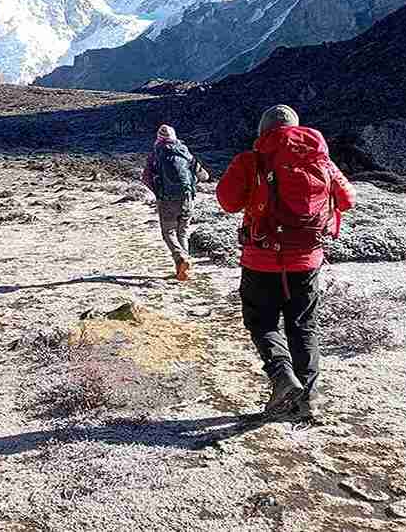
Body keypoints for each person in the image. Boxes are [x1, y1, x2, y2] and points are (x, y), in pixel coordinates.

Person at [216, 105, 355, 419]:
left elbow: (227, 202)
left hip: (260, 260)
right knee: (304, 327)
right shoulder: (323, 161)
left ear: (263, 131)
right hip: (307, 261)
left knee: (262, 322)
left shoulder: (250, 160)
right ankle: (308, 400)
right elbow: (348, 200)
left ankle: (282, 378)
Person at [142, 124, 210, 281]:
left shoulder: (155, 154)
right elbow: (204, 176)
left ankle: (181, 259)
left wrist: (158, 193)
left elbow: (146, 178)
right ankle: (183, 269)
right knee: (183, 232)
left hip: (167, 201)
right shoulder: (185, 152)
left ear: (159, 138)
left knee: (169, 233)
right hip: (187, 198)